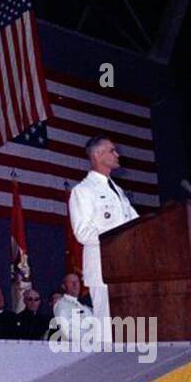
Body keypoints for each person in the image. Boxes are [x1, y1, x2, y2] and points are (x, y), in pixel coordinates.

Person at [68, 137, 138, 344]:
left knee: (132, 325)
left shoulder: (118, 191)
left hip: (127, 266)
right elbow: (82, 232)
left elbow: (136, 224)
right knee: (107, 327)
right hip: (104, 268)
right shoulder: (83, 191)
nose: (117, 155)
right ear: (97, 155)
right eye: (112, 151)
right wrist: (117, 238)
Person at [50, 271, 90, 344]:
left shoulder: (85, 308)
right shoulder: (61, 305)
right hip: (75, 349)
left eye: (77, 282)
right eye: (71, 282)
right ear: (63, 286)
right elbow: (67, 332)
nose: (75, 285)